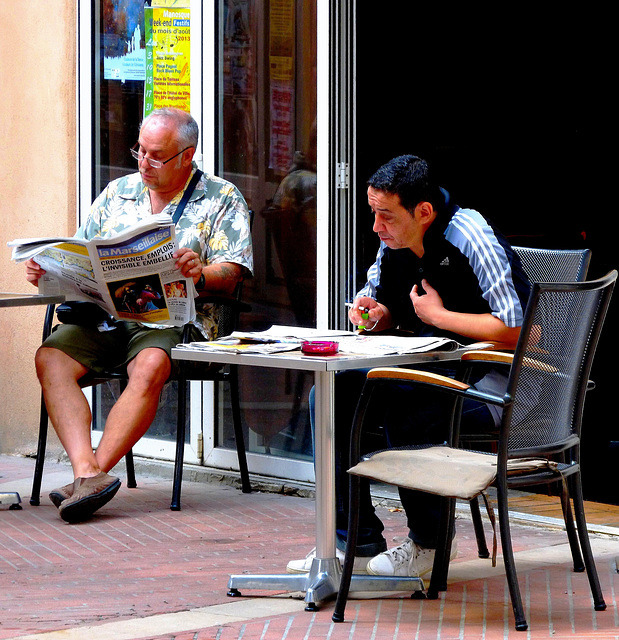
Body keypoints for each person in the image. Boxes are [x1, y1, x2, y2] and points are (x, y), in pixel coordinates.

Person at [287, 154, 530, 577]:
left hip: (497, 381)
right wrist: (375, 313)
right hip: (434, 367)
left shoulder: (469, 234)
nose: (377, 228)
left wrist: (437, 317)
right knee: (332, 395)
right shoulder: (393, 241)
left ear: (423, 212)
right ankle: (354, 542)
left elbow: (521, 329)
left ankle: (431, 544)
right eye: (373, 214)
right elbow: (384, 302)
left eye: (386, 216)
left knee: (407, 406)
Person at [25, 107, 253, 523]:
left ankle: (89, 477)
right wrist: (48, 269)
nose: (144, 163)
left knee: (150, 365)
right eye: (139, 151)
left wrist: (199, 273)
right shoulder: (118, 192)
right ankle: (88, 473)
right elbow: (80, 251)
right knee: (50, 358)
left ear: (187, 155)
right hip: (106, 315)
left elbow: (234, 270)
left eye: (156, 155)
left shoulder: (221, 197)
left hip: (174, 320)